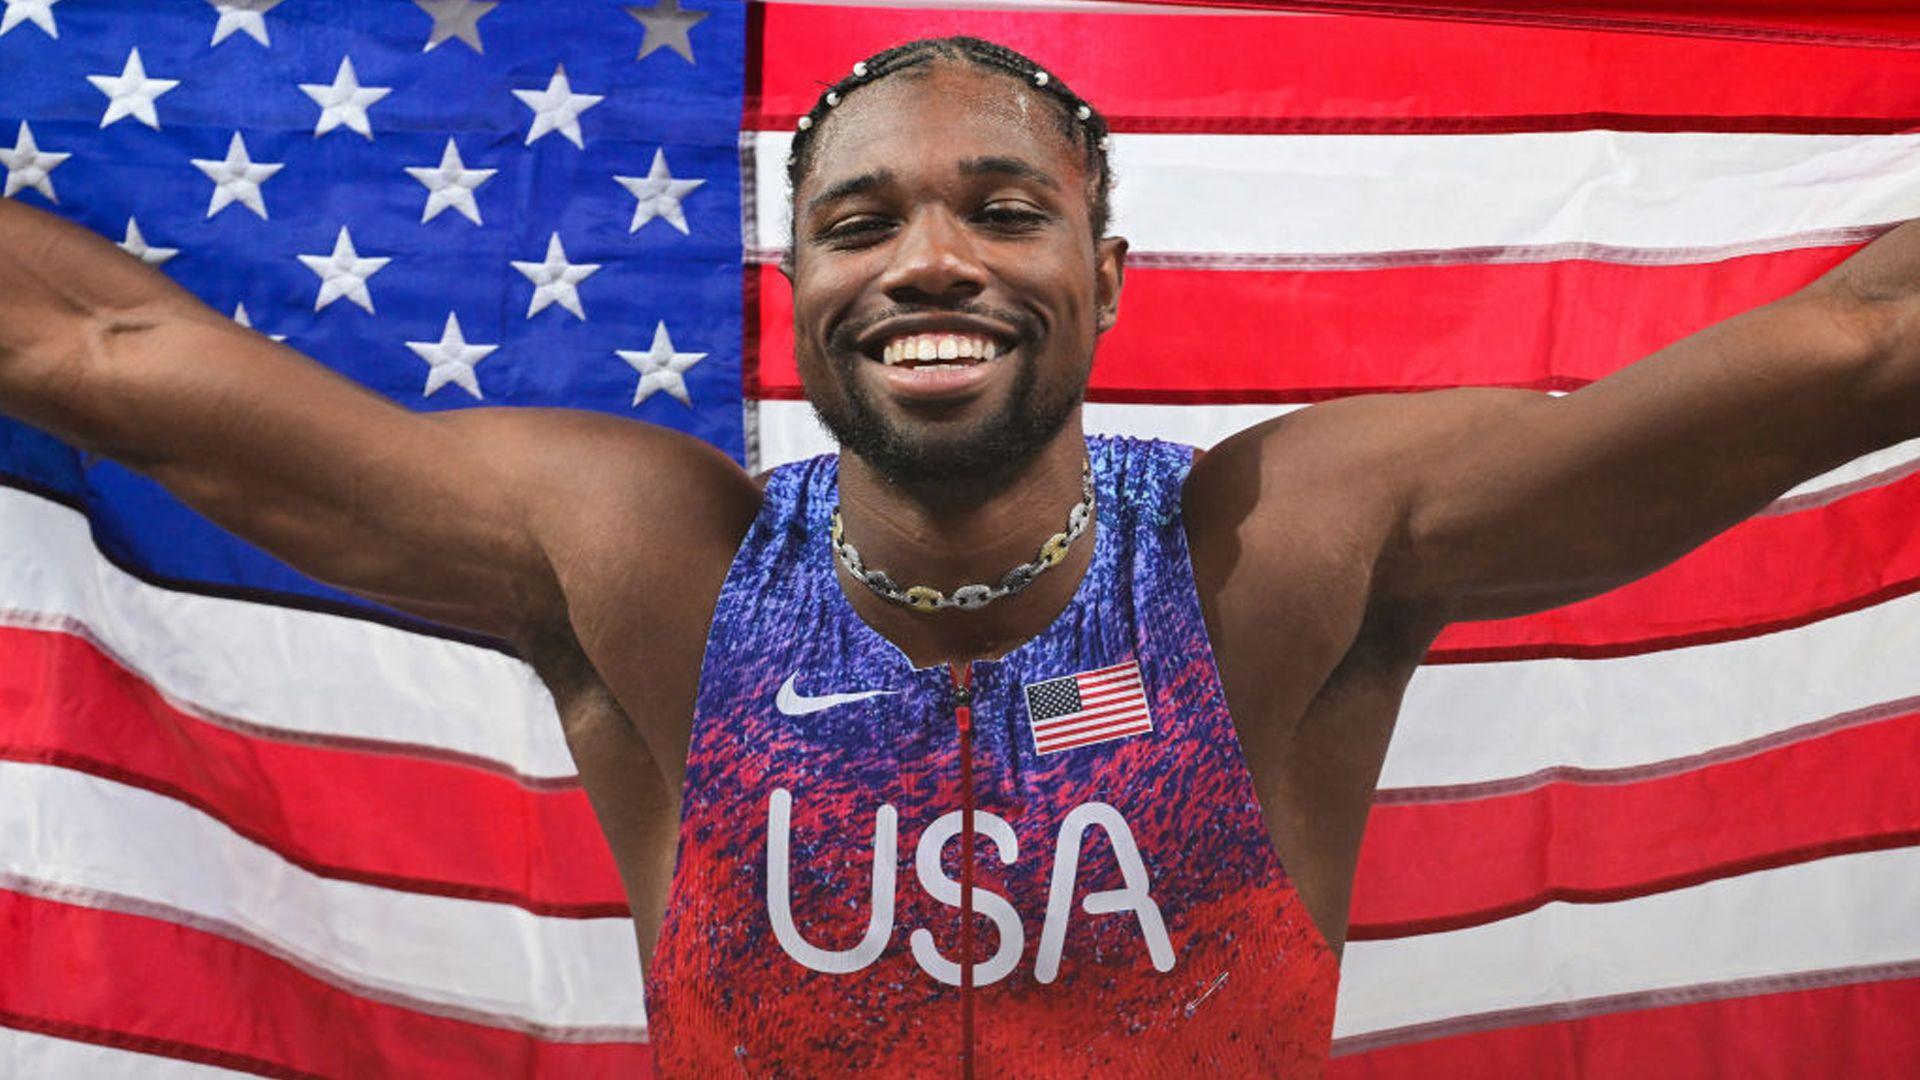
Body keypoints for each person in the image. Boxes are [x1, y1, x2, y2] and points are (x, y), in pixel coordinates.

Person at [1, 33, 1915, 1076]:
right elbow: (98, 358)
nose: (933, 259)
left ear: (1104, 279)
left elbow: (1853, 350)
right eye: (863, 221)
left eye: (1006, 211)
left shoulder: (1281, 549)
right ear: (805, 282)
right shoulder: (639, 559)